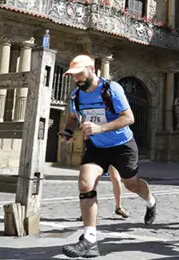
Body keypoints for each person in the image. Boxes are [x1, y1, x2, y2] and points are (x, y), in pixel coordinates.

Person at [59, 55, 156, 258]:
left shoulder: (111, 89)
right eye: (74, 76)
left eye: (80, 74)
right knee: (85, 184)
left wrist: (101, 127)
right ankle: (90, 240)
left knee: (132, 185)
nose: (77, 79)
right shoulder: (77, 95)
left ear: (92, 69)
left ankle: (150, 202)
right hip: (97, 147)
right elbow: (72, 118)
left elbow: (129, 117)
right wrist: (68, 132)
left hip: (122, 146)